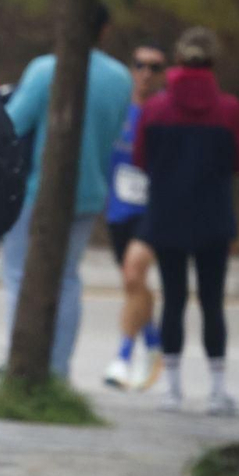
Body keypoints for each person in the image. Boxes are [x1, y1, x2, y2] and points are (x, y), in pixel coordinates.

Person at [0, 5, 132, 379]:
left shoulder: (46, 70)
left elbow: (13, 124)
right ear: (104, 31)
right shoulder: (121, 79)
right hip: (89, 191)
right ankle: (59, 369)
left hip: (37, 192)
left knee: (18, 274)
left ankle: (21, 364)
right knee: (68, 278)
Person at [135, 27, 239, 416]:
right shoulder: (230, 110)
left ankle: (172, 389)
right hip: (213, 218)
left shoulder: (155, 109)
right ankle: (217, 391)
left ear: (177, 62)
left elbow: (141, 159)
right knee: (212, 301)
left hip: (167, 216)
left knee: (173, 299)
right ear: (214, 63)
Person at [102, 43, 168, 391]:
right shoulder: (119, 110)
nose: (146, 73)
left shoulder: (164, 111)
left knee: (133, 274)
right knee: (133, 283)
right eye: (139, 65)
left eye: (154, 67)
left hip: (153, 208)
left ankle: (122, 359)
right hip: (119, 208)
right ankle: (154, 342)